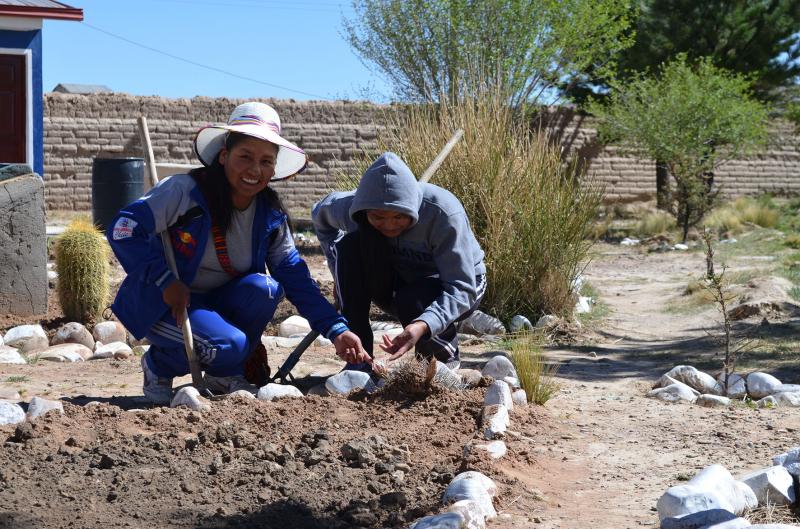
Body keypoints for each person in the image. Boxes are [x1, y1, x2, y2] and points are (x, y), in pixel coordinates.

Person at [107, 102, 369, 404]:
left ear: (274, 168)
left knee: (267, 289)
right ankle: (159, 365)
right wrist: (165, 281)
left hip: (215, 306)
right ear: (224, 156)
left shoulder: (270, 215)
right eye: (245, 156)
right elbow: (124, 229)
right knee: (229, 346)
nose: (255, 170)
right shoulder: (183, 192)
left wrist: (336, 330)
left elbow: (295, 277)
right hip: (164, 303)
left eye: (266, 161)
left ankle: (224, 372)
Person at [312, 152, 486, 370]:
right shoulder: (353, 206)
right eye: (378, 217)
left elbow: (462, 288)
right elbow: (319, 215)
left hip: (460, 285)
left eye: (399, 217)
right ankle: (359, 363)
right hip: (400, 279)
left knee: (414, 298)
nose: (389, 225)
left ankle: (439, 363)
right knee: (349, 248)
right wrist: (336, 270)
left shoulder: (442, 213)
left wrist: (422, 324)